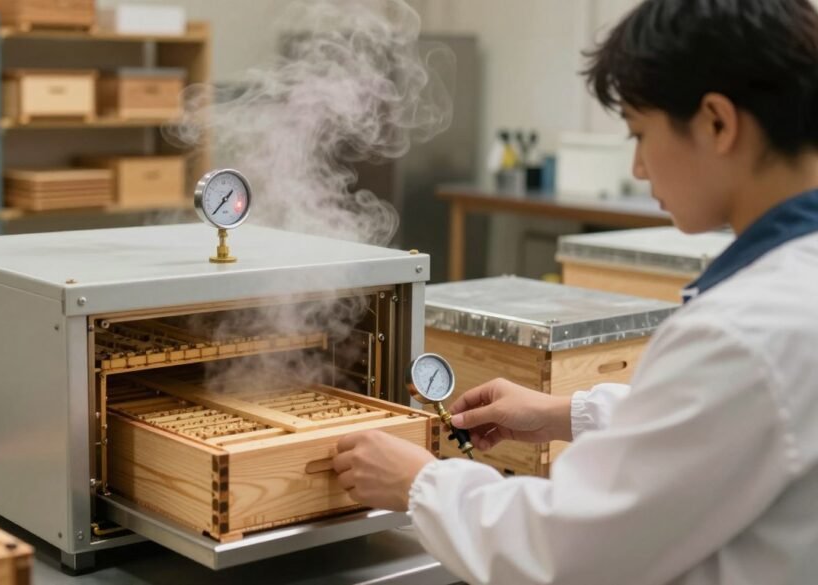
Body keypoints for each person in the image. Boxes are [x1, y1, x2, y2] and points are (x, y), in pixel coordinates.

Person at [331, 0, 818, 583]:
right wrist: (564, 413)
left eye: (640, 133)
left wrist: (420, 483)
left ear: (717, 121)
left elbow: (573, 551)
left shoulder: (747, 331)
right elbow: (722, 432)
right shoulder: (786, 297)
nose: (638, 168)